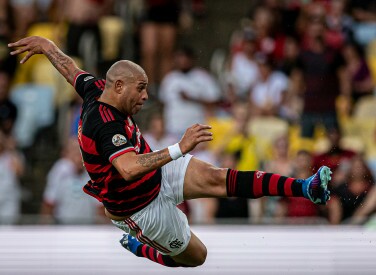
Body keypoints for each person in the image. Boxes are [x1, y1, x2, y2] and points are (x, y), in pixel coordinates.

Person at [9, 36, 331, 268]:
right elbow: (130, 168)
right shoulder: (104, 124)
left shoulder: (96, 89)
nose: (147, 96)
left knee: (218, 178)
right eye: (141, 87)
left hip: (158, 175)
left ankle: (305, 187)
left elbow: (70, 69)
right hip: (138, 208)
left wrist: (47, 46)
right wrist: (179, 148)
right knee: (195, 258)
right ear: (119, 86)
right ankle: (139, 247)